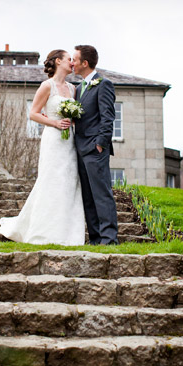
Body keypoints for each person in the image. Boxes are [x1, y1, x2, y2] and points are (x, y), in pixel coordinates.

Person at [0, 49, 86, 245]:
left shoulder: (73, 89)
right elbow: (33, 114)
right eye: (69, 59)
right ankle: (42, 231)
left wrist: (71, 121)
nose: (72, 63)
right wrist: (54, 123)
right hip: (53, 139)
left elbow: (75, 117)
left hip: (69, 141)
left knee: (69, 182)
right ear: (58, 61)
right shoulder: (47, 86)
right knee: (51, 181)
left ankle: (69, 234)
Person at [72, 45, 119, 245]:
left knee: (101, 194)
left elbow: (108, 118)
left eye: (75, 60)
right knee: (88, 196)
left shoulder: (103, 84)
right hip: (79, 148)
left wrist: (100, 144)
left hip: (95, 149)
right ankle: (95, 237)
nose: (72, 63)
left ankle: (109, 239)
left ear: (85, 63)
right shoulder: (79, 88)